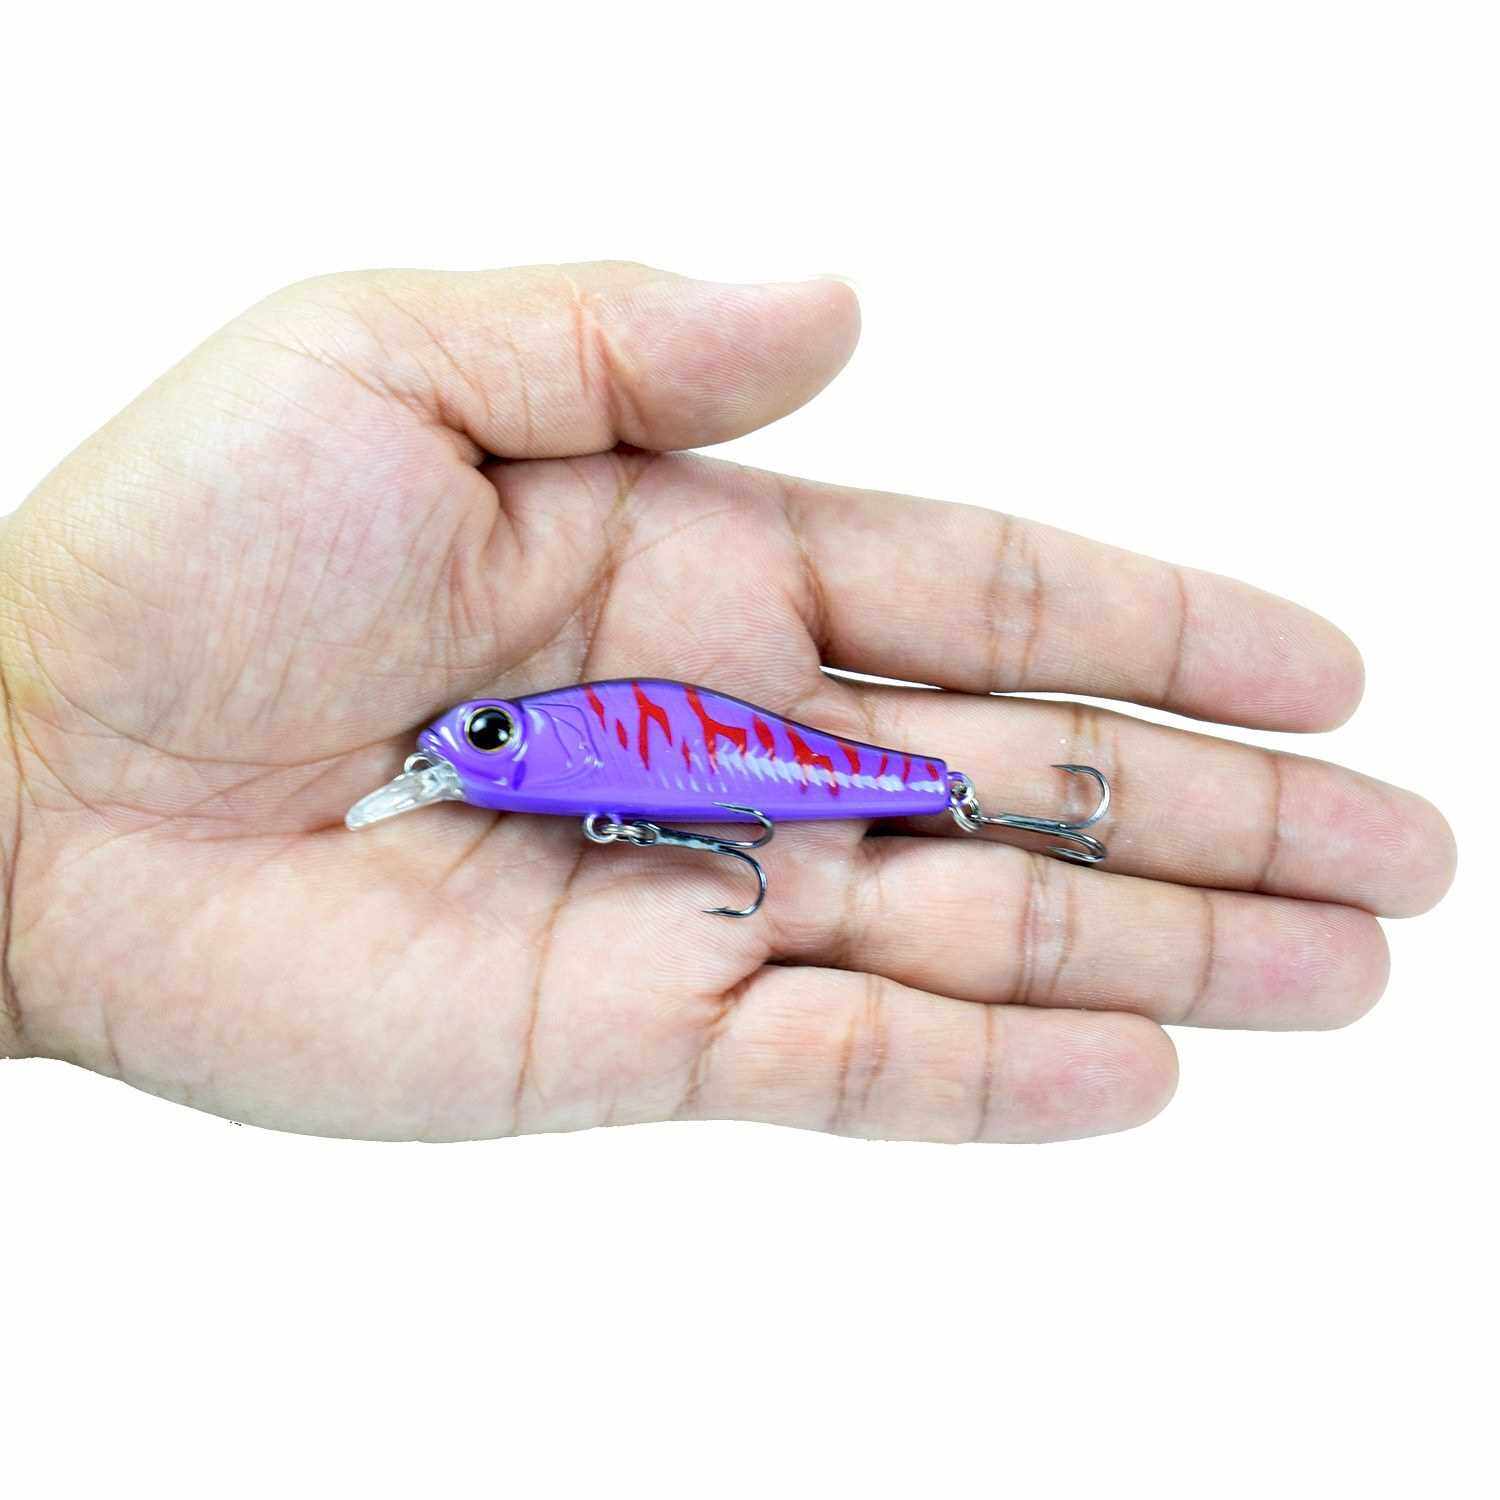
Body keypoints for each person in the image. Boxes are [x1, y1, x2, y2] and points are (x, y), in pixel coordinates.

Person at [0, 263, 1456, 1142]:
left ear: (536, 747)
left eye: (483, 738)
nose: (468, 752)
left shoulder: (576, 750)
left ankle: (954, 801)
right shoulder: (547, 765)